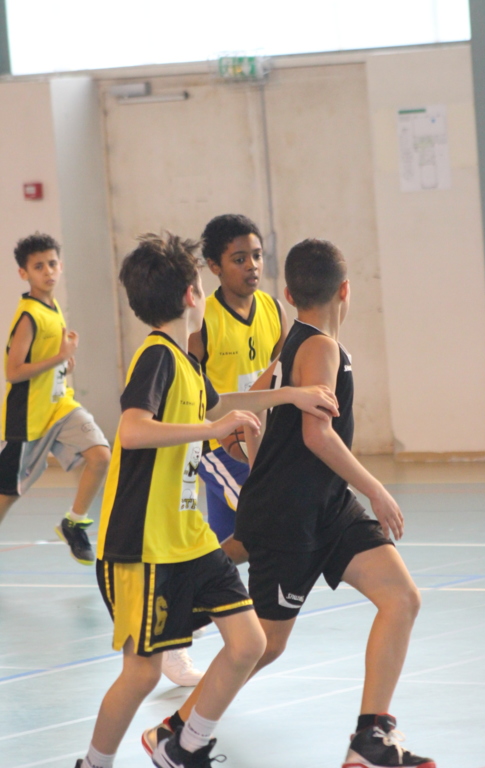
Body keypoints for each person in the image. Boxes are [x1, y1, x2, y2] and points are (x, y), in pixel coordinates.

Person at [144, 239, 435, 768]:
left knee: (401, 597)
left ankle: (370, 737)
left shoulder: (293, 343)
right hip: (290, 515)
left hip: (326, 506)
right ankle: (176, 732)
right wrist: (376, 488)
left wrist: (260, 463)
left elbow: (254, 406)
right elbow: (315, 434)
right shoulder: (320, 347)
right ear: (345, 291)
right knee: (264, 643)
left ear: (289, 294)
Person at [75, 232, 338, 768]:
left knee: (248, 643)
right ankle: (93, 764)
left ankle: (183, 745)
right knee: (142, 673)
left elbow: (222, 402)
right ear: (192, 294)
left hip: (190, 538)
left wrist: (290, 395)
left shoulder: (186, 363)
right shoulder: (156, 357)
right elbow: (132, 430)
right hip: (143, 545)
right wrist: (212, 429)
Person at [163, 213, 287, 687]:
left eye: (256, 256)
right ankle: (189, 627)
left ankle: (175, 625)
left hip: (258, 443)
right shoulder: (204, 323)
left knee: (223, 549)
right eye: (239, 259)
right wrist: (220, 433)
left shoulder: (272, 309)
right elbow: (189, 387)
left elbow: (277, 373)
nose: (251, 265)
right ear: (214, 266)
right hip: (219, 447)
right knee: (266, 526)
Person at [0, 233, 110, 565]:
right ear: (24, 273)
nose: (47, 271)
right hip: (27, 418)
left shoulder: (53, 306)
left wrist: (63, 363)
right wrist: (59, 356)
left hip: (60, 407)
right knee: (7, 495)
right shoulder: (29, 316)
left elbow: (48, 359)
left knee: (101, 456)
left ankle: (73, 522)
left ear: (60, 265)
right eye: (38, 266)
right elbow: (13, 371)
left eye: (52, 263)